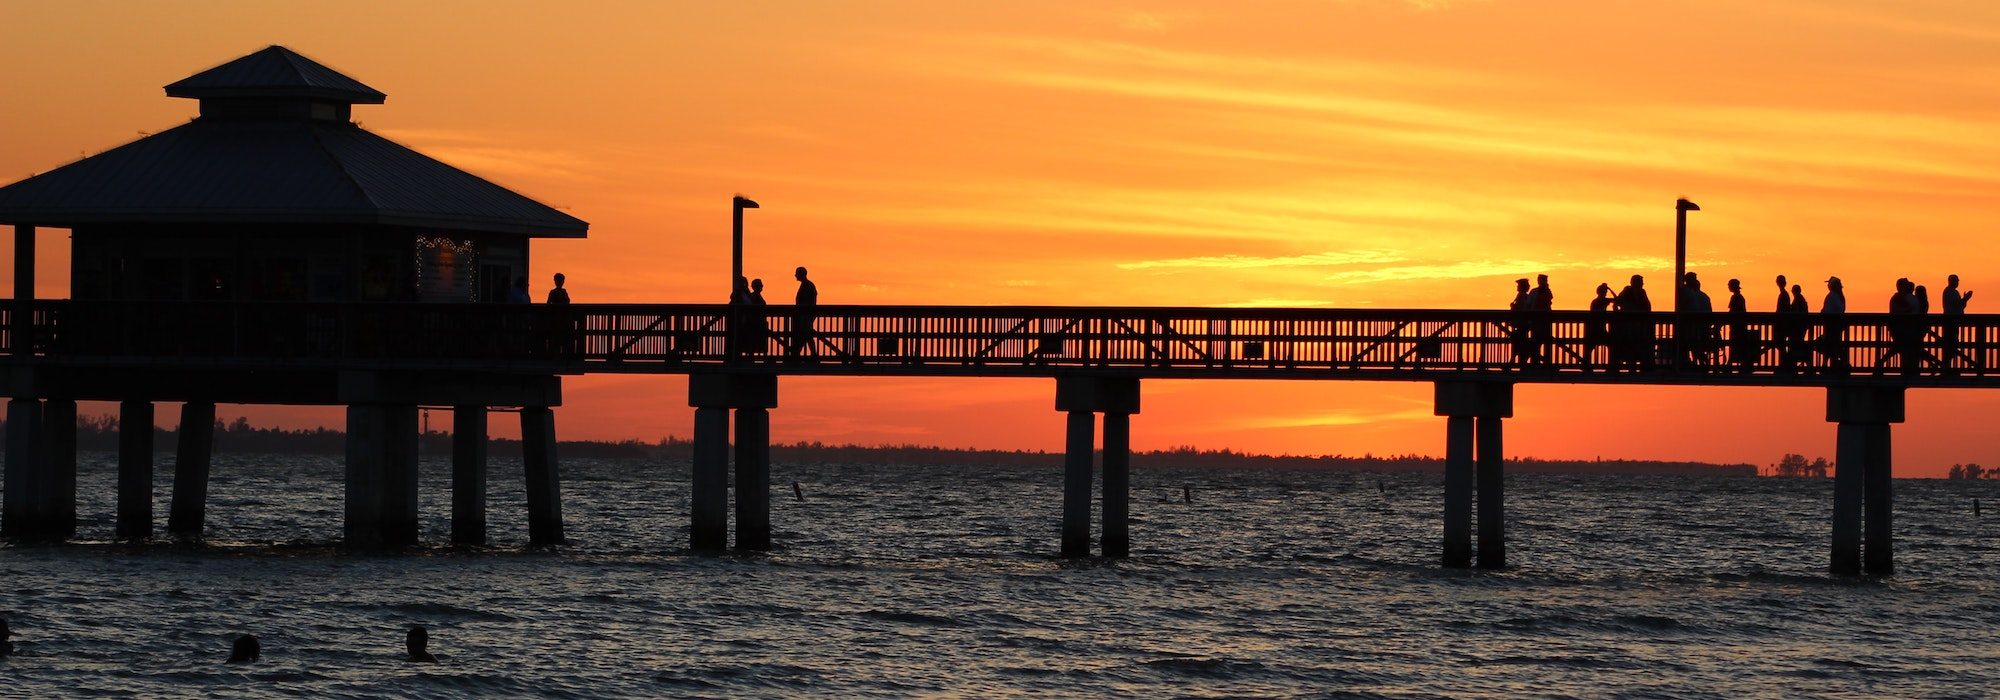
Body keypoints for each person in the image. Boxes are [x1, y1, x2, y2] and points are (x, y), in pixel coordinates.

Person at [1614, 274, 1652, 372]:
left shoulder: (1640, 292)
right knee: (1632, 345)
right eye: (1641, 282)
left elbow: (1617, 302)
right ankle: (1634, 364)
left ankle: (1635, 365)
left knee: (1634, 345)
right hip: (1631, 325)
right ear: (1635, 282)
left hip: (1635, 325)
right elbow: (1648, 308)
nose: (1643, 284)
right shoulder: (1629, 291)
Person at [1679, 273, 1714, 368]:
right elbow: (1709, 311)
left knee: (1692, 344)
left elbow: (1684, 307)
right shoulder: (1704, 296)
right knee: (1697, 345)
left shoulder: (1687, 293)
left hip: (1692, 325)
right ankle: (1701, 362)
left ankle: (1695, 362)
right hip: (1703, 326)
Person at [786, 266, 819, 361]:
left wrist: (810, 314)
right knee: (805, 335)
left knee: (805, 334)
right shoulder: (807, 284)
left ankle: (797, 354)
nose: (795, 275)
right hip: (804, 315)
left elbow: (811, 302)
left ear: (802, 274)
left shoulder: (808, 285)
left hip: (806, 315)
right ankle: (798, 354)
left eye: (797, 273)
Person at [1818, 276, 1849, 373]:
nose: (1827, 285)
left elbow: (1829, 310)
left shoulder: (1832, 296)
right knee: (1834, 345)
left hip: (1831, 325)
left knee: (1831, 344)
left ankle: (1834, 363)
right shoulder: (1838, 296)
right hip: (1836, 325)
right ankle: (1840, 363)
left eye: (1829, 284)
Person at [1943, 274, 1972, 374]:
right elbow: (1957, 304)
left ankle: (1948, 367)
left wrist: (1964, 300)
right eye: (1956, 281)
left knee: (1952, 344)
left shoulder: (1953, 292)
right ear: (1951, 281)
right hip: (1951, 322)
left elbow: (1959, 306)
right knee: (1951, 344)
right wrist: (1966, 298)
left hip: (1954, 322)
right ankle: (1946, 368)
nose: (1957, 283)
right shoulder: (1949, 292)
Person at [1726, 278, 1755, 371]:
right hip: (1740, 325)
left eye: (1729, 285)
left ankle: (1731, 364)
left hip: (1736, 326)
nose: (1728, 286)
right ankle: (1742, 364)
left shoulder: (1736, 297)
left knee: (1735, 344)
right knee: (1739, 345)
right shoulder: (1740, 297)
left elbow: (1732, 311)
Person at [1584, 282, 1615, 371]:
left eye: (1605, 292)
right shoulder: (1602, 301)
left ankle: (1587, 366)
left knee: (1590, 347)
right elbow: (1617, 299)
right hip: (1598, 329)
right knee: (1611, 344)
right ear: (1600, 292)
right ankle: (1611, 366)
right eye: (1604, 292)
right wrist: (1609, 289)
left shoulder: (1595, 301)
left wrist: (1608, 289)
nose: (1605, 293)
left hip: (1594, 329)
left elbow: (1616, 299)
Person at [1530, 274, 1555, 366]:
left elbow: (1550, 298)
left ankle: (1544, 361)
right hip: (1538, 321)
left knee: (1544, 340)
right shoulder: (1535, 291)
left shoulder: (1545, 291)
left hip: (1544, 321)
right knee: (1538, 341)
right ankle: (1537, 361)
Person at [1508, 278, 1534, 366]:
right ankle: (1519, 359)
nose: (1517, 287)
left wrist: (1513, 307)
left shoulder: (1521, 296)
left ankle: (1516, 360)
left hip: (1521, 323)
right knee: (1519, 341)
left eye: (1518, 285)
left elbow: (1521, 309)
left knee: (1518, 341)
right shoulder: (1524, 296)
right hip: (1523, 324)